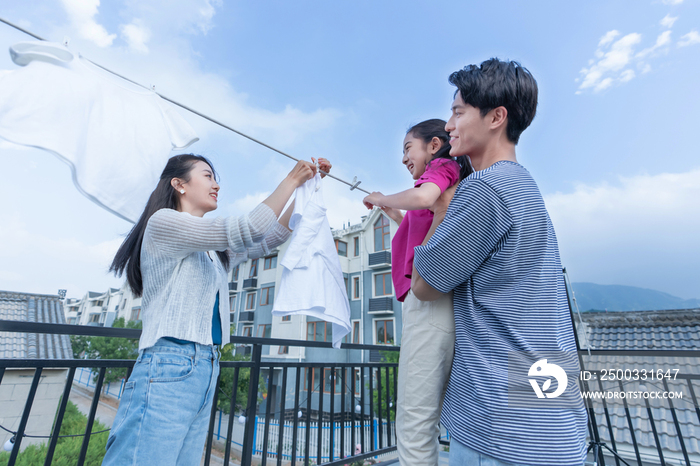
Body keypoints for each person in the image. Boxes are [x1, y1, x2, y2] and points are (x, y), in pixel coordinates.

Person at [411, 59, 588, 466]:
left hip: (501, 430)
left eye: (458, 112)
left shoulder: (484, 189)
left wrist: (440, 211)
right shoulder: (525, 185)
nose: (449, 126)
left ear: (496, 117)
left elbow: (424, 285)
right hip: (550, 422)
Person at [103, 153, 331, 466]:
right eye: (208, 176)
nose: (217, 185)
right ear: (179, 184)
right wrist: (292, 179)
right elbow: (251, 227)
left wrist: (308, 186)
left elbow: (272, 236)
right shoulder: (163, 224)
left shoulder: (211, 249)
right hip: (169, 363)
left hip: (204, 369)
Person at [362, 119, 470, 466]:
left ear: (434, 145)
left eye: (408, 148)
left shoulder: (441, 169)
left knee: (414, 423)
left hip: (428, 307)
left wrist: (381, 196)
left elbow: (424, 196)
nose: (404, 158)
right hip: (434, 304)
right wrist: (395, 213)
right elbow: (422, 225)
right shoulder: (444, 180)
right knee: (424, 418)